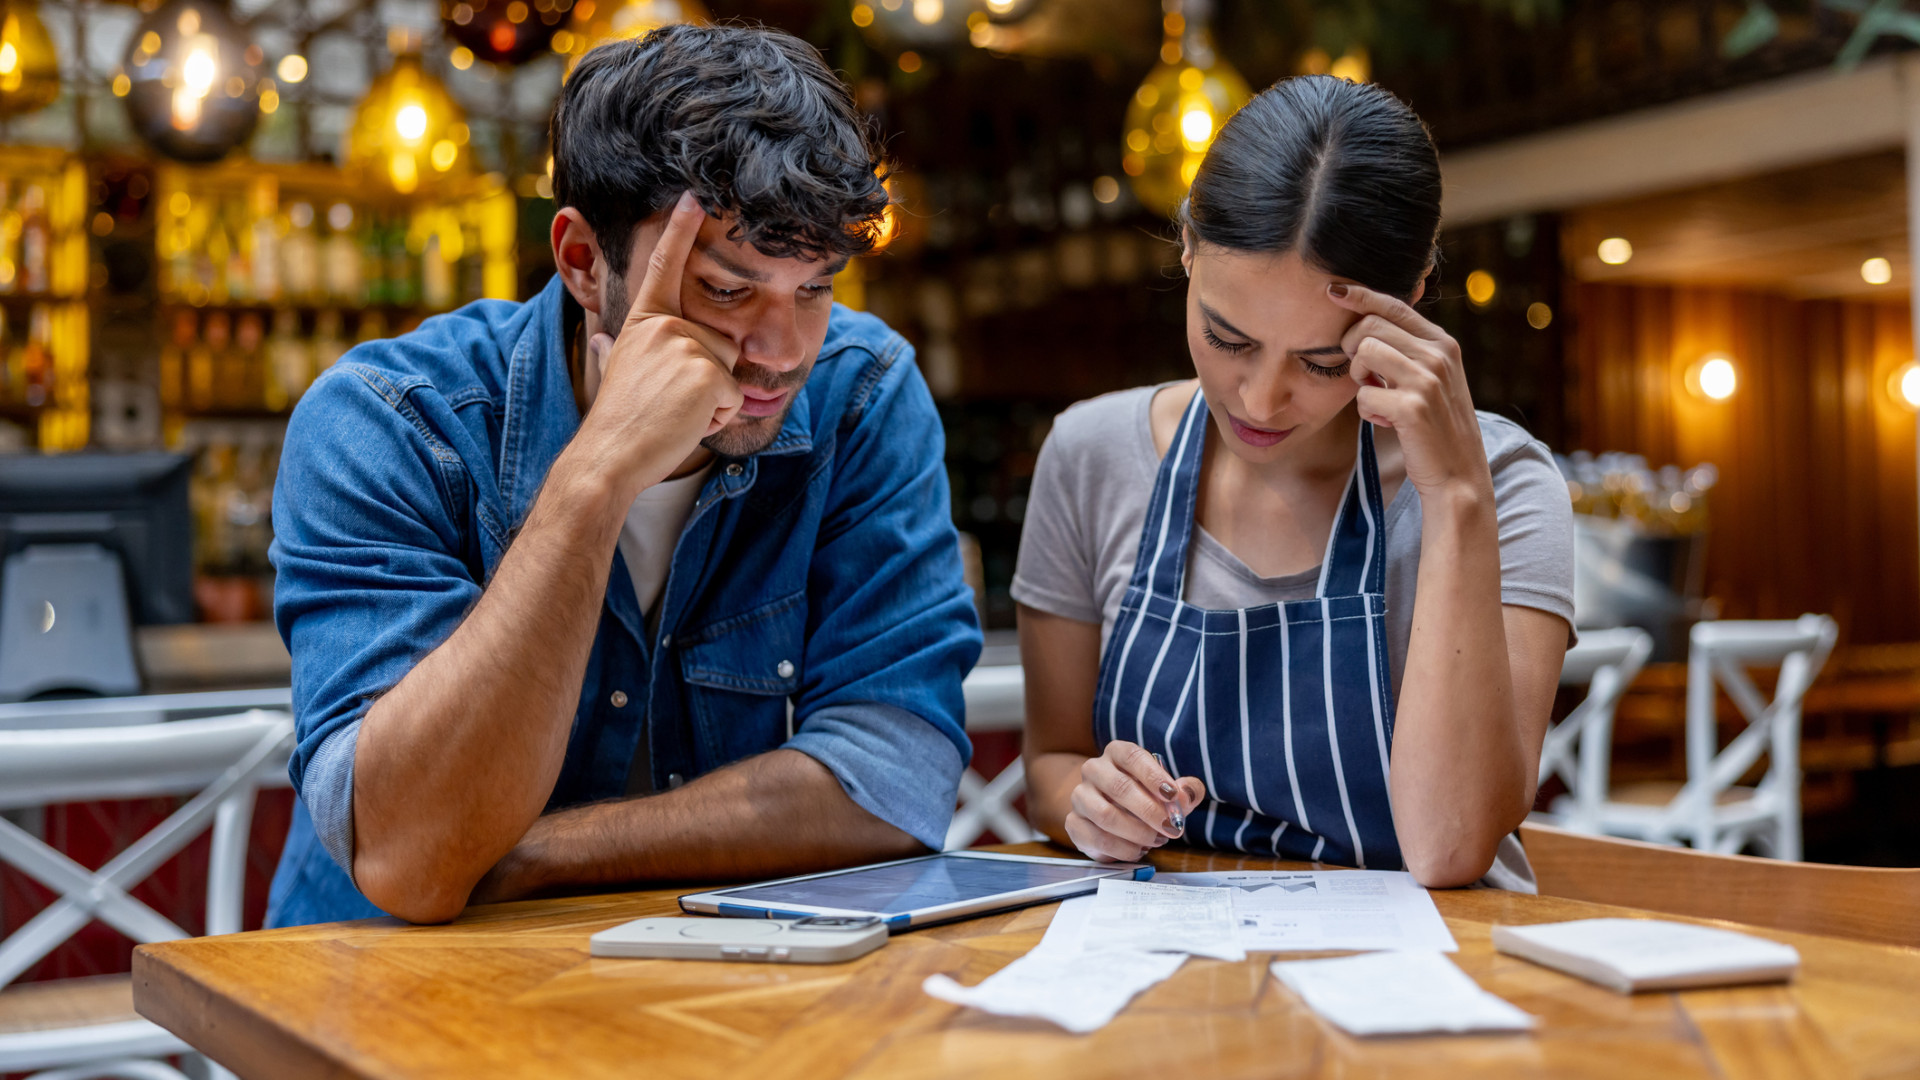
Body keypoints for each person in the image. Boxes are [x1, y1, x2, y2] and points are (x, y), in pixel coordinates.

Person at [264, 24, 980, 927]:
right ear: (579, 260)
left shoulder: (860, 394)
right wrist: (594, 479)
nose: (784, 353)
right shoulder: (388, 421)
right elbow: (413, 858)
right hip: (376, 999)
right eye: (726, 290)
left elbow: (892, 778)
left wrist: (525, 856)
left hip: (705, 993)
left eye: (815, 288)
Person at [1014, 75, 1574, 889]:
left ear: (1411, 300)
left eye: (1322, 362)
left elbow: (1452, 848)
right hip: (1168, 970)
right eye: (1226, 338)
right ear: (1186, 247)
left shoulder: (1508, 486)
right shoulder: (1092, 456)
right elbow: (1050, 767)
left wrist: (1454, 497)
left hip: (1422, 980)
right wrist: (1089, 802)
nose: (1261, 399)